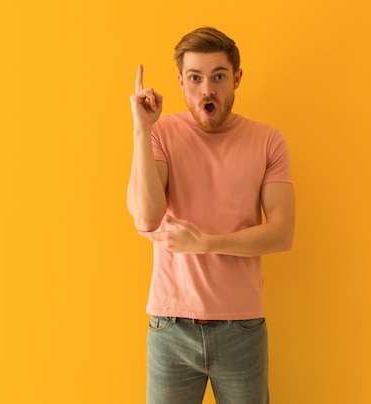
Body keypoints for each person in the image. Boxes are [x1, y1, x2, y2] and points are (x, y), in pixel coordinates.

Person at [127, 26, 295, 404]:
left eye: (218, 77)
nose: (207, 90)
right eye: (195, 78)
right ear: (181, 82)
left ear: (236, 78)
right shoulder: (162, 132)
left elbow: (282, 233)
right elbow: (146, 216)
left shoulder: (268, 141)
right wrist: (141, 129)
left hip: (243, 329)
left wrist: (206, 244)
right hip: (171, 328)